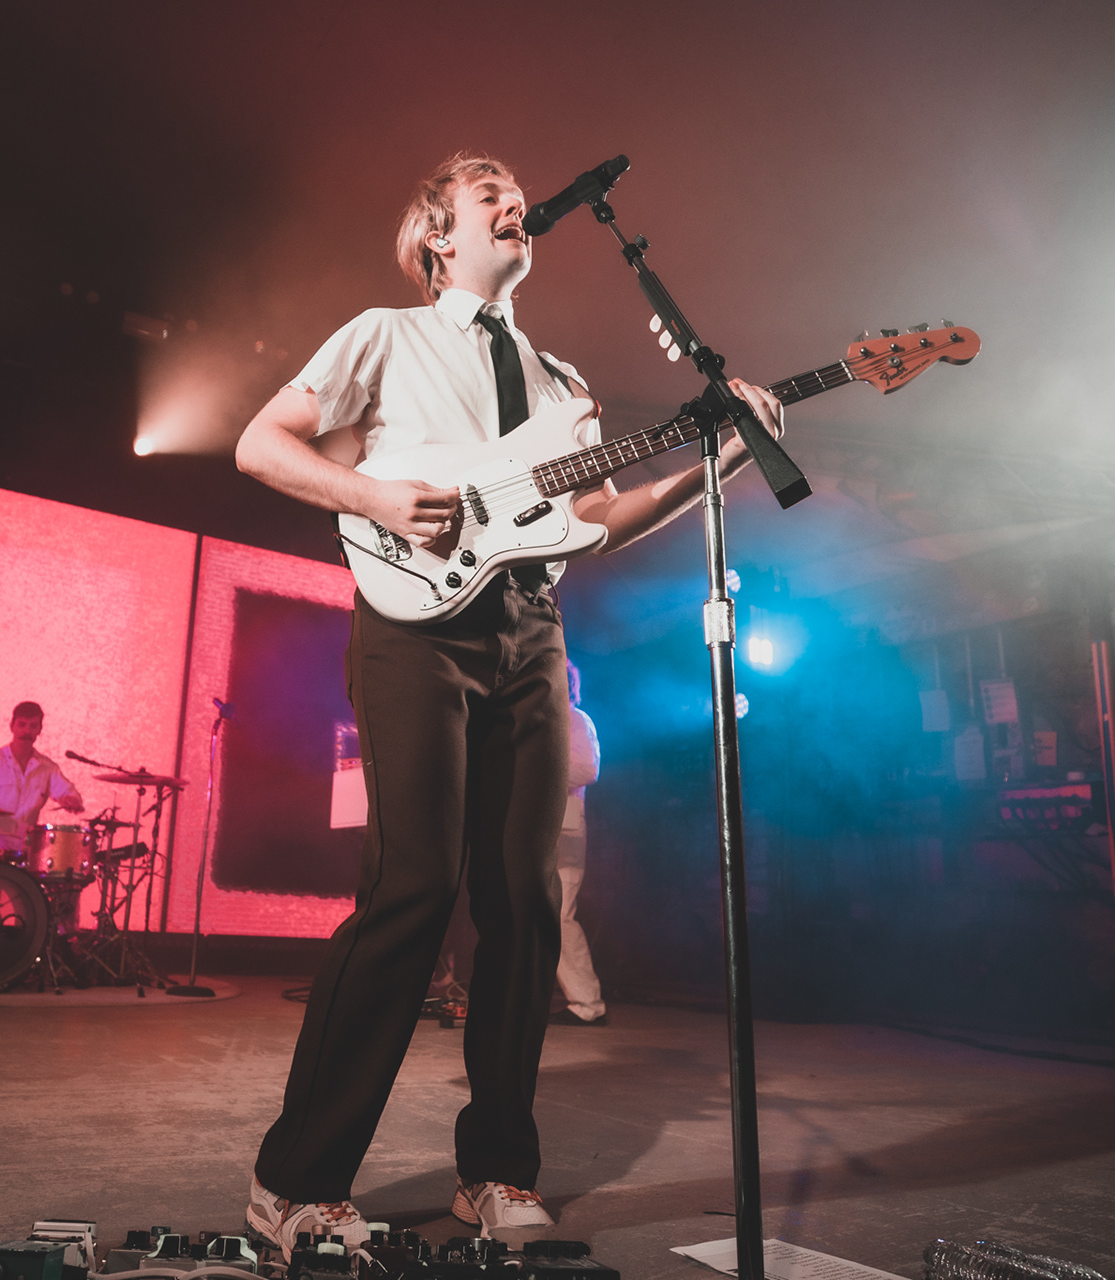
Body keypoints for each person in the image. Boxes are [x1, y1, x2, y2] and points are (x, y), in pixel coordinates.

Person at [232, 152, 783, 1250]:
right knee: (415, 886)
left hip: (531, 627)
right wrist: (375, 492)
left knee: (525, 904)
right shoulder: (382, 334)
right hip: (412, 624)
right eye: (485, 182)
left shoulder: (566, 380)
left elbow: (594, 519)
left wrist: (720, 453)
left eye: (512, 182)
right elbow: (261, 444)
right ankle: (295, 1179)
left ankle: (495, 1170)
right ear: (440, 230)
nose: (509, 191)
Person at [0, 701, 85, 862]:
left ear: (40, 730)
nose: (27, 731)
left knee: (54, 862)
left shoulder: (47, 768)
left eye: (33, 726)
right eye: (22, 725)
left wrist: (71, 799)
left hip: (25, 844)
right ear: (12, 726)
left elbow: (68, 791)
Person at [550, 662, 605, 1027]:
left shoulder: (576, 719)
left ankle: (588, 1005)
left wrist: (534, 768)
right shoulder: (539, 721)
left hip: (564, 832)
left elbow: (587, 769)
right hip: (536, 829)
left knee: (559, 916)